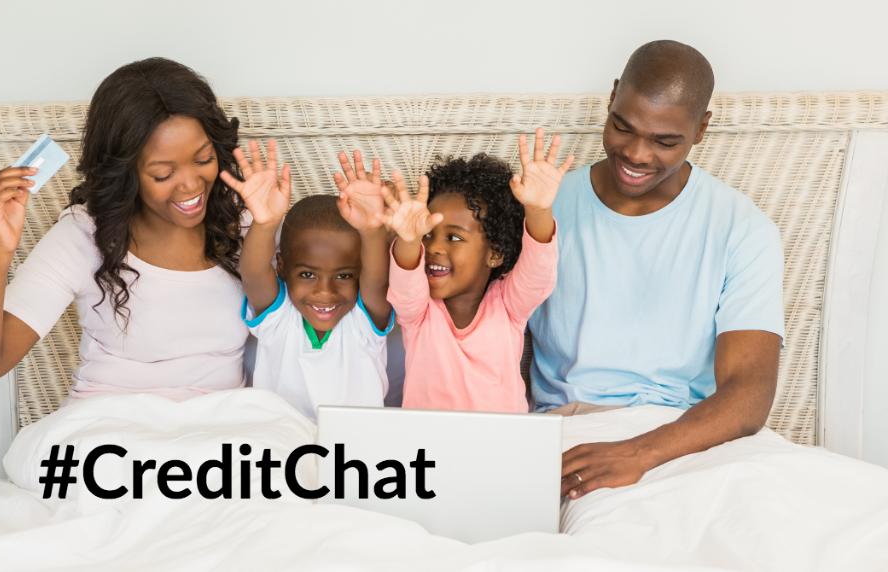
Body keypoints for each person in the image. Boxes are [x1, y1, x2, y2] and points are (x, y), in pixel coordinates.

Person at [525, 40, 784, 499]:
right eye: (623, 128)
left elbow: (749, 393)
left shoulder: (741, 227)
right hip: (571, 429)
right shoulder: (544, 204)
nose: (638, 155)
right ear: (611, 97)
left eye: (665, 141)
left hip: (688, 437)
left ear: (701, 129)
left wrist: (639, 453)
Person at [0, 57, 251, 400]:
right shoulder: (84, 236)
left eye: (203, 160)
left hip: (221, 433)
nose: (189, 186)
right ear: (126, 172)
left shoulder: (244, 224)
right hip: (110, 429)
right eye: (163, 175)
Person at [384, 130, 571, 412]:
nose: (434, 247)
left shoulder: (508, 306)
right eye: (428, 235)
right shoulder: (419, 313)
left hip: (499, 444)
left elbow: (538, 273)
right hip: (430, 445)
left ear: (494, 253)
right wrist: (409, 240)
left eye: (454, 237)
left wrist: (538, 209)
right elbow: (405, 281)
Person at [222, 143, 394, 419]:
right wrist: (265, 224)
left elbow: (377, 281)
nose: (325, 291)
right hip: (282, 443)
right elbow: (253, 274)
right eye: (307, 274)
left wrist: (372, 232)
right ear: (281, 267)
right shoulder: (279, 319)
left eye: (344, 275)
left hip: (354, 447)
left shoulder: (363, 323)